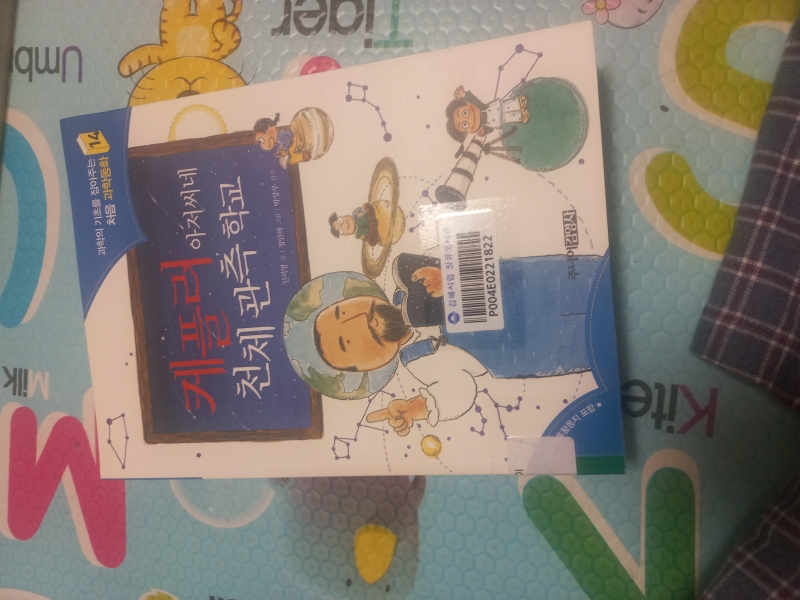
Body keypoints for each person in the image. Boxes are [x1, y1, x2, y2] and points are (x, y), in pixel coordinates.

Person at [445, 85, 529, 143]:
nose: (468, 118)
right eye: (465, 124)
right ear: (466, 132)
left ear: (466, 104)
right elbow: (490, 129)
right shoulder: (483, 124)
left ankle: (518, 102)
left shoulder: (480, 107)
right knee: (508, 118)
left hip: (496, 108)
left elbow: (474, 100)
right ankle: (521, 116)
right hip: (497, 122)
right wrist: (485, 131)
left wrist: (464, 94)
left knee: (506, 106)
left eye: (465, 113)